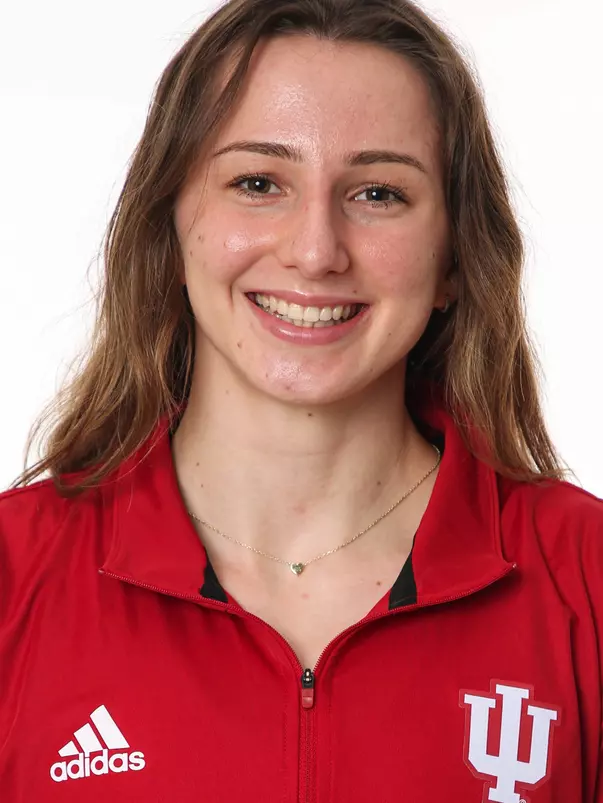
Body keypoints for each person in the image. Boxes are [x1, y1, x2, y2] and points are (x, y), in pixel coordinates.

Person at [1, 0, 601, 800]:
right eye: (257, 182)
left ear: (456, 256)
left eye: (379, 193)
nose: (315, 251)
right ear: (168, 230)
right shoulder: (15, 575)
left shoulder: (584, 577)